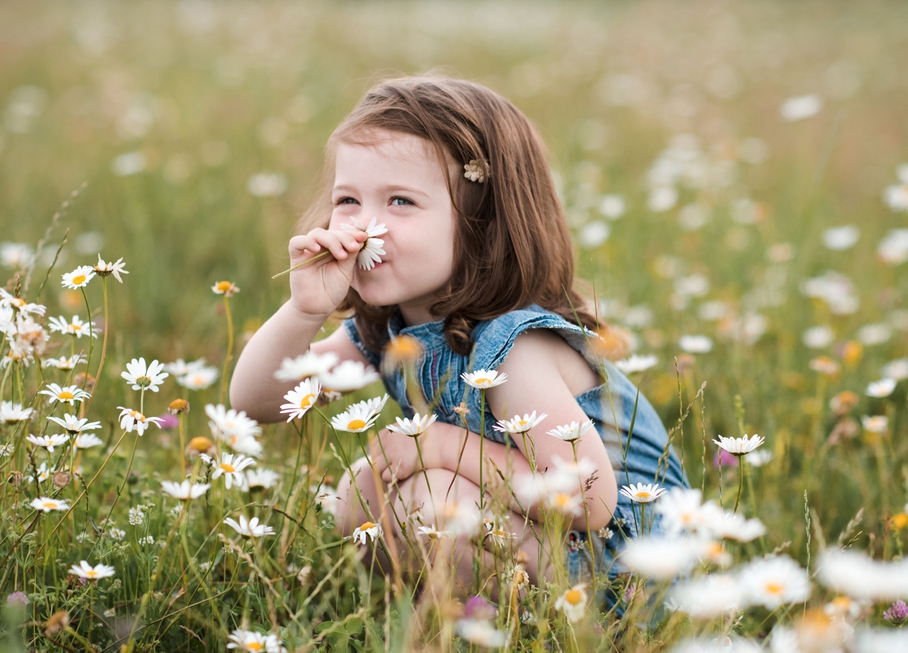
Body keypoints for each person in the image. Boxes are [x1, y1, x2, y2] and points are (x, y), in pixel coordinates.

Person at [230, 76, 688, 595]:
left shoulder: (514, 347)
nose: (364, 228)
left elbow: (587, 500)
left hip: (631, 573)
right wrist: (303, 311)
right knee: (361, 493)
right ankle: (461, 616)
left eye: (400, 201)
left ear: (482, 224)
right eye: (348, 199)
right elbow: (257, 402)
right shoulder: (390, 328)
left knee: (434, 500)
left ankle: (539, 624)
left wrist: (443, 445)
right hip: (550, 544)